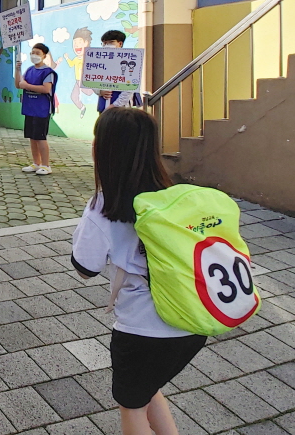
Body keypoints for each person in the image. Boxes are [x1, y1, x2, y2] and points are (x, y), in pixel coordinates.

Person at [72, 108, 206, 435]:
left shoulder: (104, 207)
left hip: (144, 332)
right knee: (146, 389)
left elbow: (85, 269)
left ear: (101, 149)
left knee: (132, 409)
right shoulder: (175, 194)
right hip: (194, 322)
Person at [15, 43, 57, 175]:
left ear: (44, 55)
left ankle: (46, 165)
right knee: (32, 137)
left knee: (40, 137)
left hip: (42, 109)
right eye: (32, 52)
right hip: (29, 108)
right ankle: (36, 163)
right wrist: (17, 70)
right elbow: (18, 85)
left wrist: (27, 86)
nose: (34, 55)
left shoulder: (48, 72)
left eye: (38, 53)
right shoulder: (29, 70)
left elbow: (46, 89)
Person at [96, 30, 142, 112]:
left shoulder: (129, 61)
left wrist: (115, 105)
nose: (107, 45)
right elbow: (90, 79)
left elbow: (129, 88)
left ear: (120, 44)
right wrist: (100, 91)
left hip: (122, 109)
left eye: (111, 42)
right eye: (104, 43)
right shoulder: (99, 61)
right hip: (103, 106)